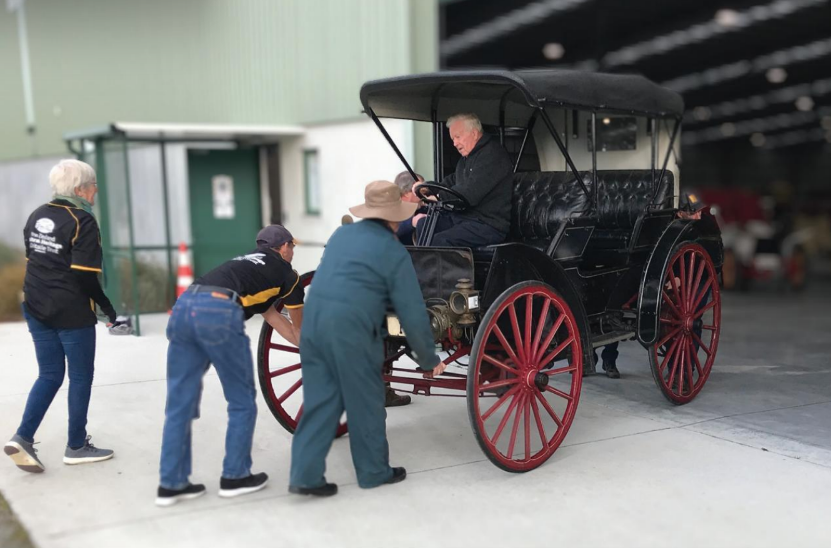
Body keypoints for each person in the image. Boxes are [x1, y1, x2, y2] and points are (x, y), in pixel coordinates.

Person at [289, 181, 447, 497]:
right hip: (352, 330)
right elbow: (411, 311)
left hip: (314, 324)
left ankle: (305, 476)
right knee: (367, 402)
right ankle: (374, 471)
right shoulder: (393, 250)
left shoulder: (342, 235)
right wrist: (429, 359)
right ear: (395, 216)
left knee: (320, 401)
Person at [156, 225, 304, 507]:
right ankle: (235, 476)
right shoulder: (287, 274)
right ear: (284, 247)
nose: (293, 251)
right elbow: (300, 328)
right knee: (241, 401)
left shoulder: (246, 264)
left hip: (185, 305)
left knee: (179, 403)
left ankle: (171, 483)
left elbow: (274, 318)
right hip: (218, 311)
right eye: (292, 246)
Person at [4, 159, 119, 473]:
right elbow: (84, 275)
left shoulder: (37, 214)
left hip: (35, 305)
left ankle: (23, 437)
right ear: (80, 189)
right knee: (80, 377)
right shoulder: (83, 220)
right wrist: (107, 308)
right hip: (70, 309)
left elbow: (34, 259)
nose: (95, 191)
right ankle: (76, 446)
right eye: (93, 186)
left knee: (49, 375)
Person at [413, 113, 512, 247]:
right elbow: (450, 182)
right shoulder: (465, 161)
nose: (454, 143)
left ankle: (436, 261)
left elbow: (470, 193)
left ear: (474, 133)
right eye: (453, 139)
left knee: (441, 240)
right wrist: (428, 188)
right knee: (423, 225)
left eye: (458, 137)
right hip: (464, 219)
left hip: (487, 224)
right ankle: (422, 261)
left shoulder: (492, 155)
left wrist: (439, 197)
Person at [393, 170, 425, 246]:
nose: (424, 195)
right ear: (406, 193)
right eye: (421, 191)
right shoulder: (389, 210)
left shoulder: (422, 209)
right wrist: (411, 222)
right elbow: (384, 231)